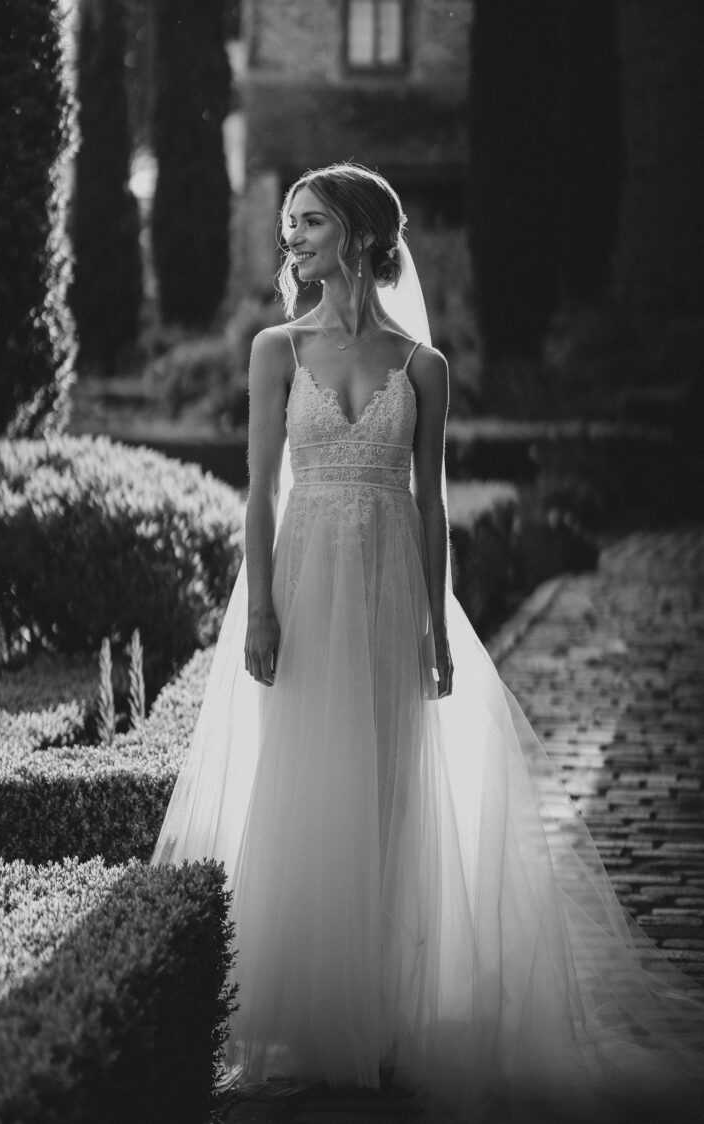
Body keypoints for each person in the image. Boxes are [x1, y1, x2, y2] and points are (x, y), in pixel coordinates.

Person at [152, 164, 703, 1121]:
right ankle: (310, 1017)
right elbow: (257, 492)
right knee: (310, 780)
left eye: (310, 222)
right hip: (307, 583)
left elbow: (435, 505)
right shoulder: (275, 349)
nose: (292, 239)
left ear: (361, 238)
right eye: (289, 224)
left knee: (391, 789)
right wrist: (263, 614)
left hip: (393, 583)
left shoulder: (424, 368)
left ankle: (383, 1014)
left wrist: (438, 626)